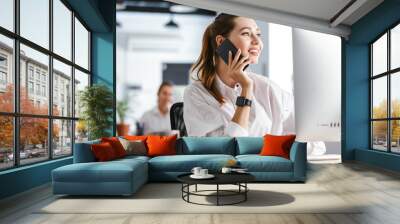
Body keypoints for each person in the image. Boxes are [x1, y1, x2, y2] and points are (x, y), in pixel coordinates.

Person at [183, 13, 294, 137]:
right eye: (246, 33)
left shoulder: (267, 88)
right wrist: (246, 90)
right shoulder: (196, 94)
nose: (257, 42)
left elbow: (308, 140)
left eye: (258, 34)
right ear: (221, 42)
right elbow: (228, 150)